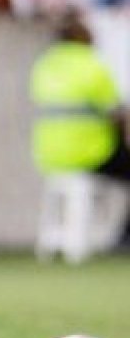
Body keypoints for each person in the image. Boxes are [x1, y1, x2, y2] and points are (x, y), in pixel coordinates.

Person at [30, 14, 130, 248]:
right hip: (89, 151)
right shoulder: (91, 64)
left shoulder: (44, 65)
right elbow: (116, 112)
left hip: (48, 154)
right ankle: (125, 239)